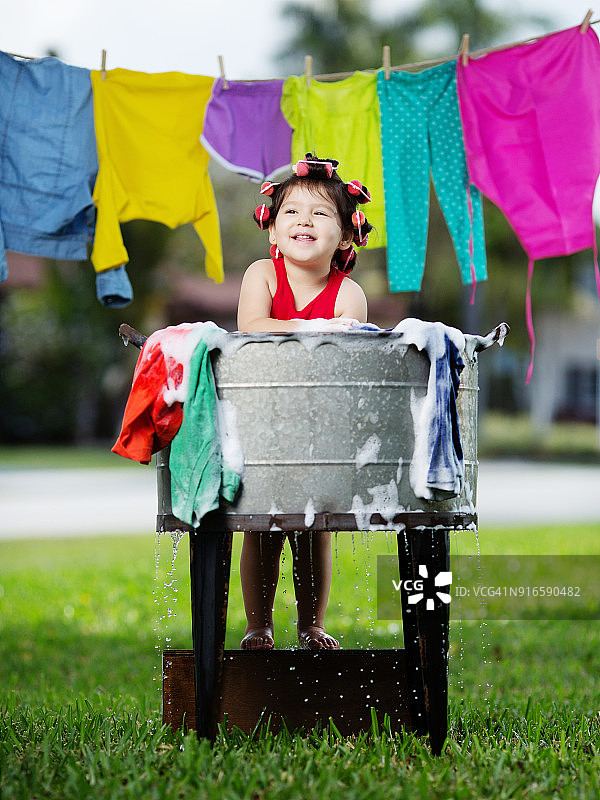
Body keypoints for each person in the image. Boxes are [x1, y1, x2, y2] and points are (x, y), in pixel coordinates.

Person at [236, 153, 373, 650]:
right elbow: (252, 327)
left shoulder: (348, 294)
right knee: (262, 526)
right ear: (273, 232)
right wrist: (316, 327)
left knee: (316, 526)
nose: (304, 221)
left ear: (345, 236)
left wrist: (319, 330)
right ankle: (259, 625)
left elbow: (347, 355)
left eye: (321, 214)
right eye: (291, 212)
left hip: (323, 425)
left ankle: (311, 622)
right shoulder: (263, 276)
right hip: (264, 421)